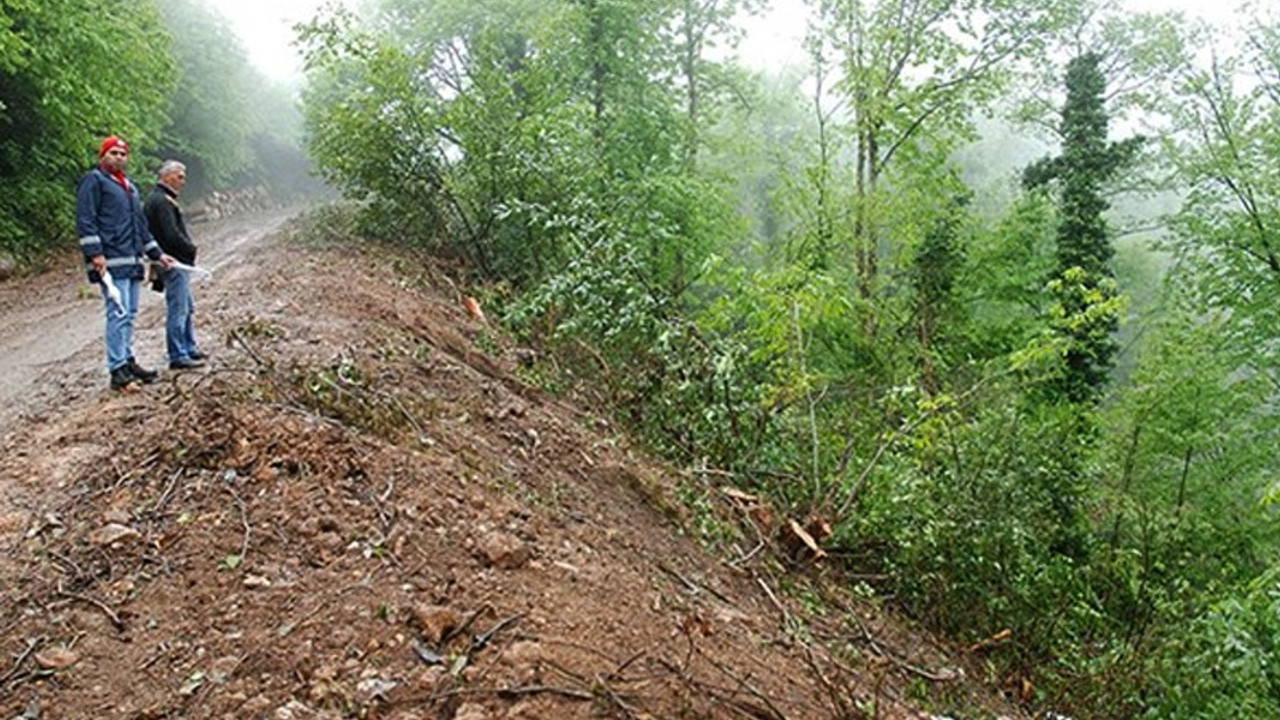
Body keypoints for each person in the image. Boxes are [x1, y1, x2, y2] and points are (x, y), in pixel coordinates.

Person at [77, 136, 174, 390]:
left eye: (123, 153)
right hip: (110, 261)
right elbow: (86, 219)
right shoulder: (94, 181)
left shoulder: (130, 187)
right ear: (103, 156)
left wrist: (157, 254)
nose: (119, 157)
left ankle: (128, 360)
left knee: (130, 314)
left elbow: (141, 227)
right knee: (118, 313)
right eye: (114, 153)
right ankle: (117, 368)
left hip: (132, 261)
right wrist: (95, 253)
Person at [143, 160, 205, 370]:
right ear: (166, 176)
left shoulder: (160, 199)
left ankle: (188, 347)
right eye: (180, 176)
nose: (183, 181)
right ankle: (178, 354)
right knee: (178, 308)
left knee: (186, 306)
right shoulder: (161, 201)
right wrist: (189, 248)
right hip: (173, 262)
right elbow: (170, 234)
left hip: (173, 260)